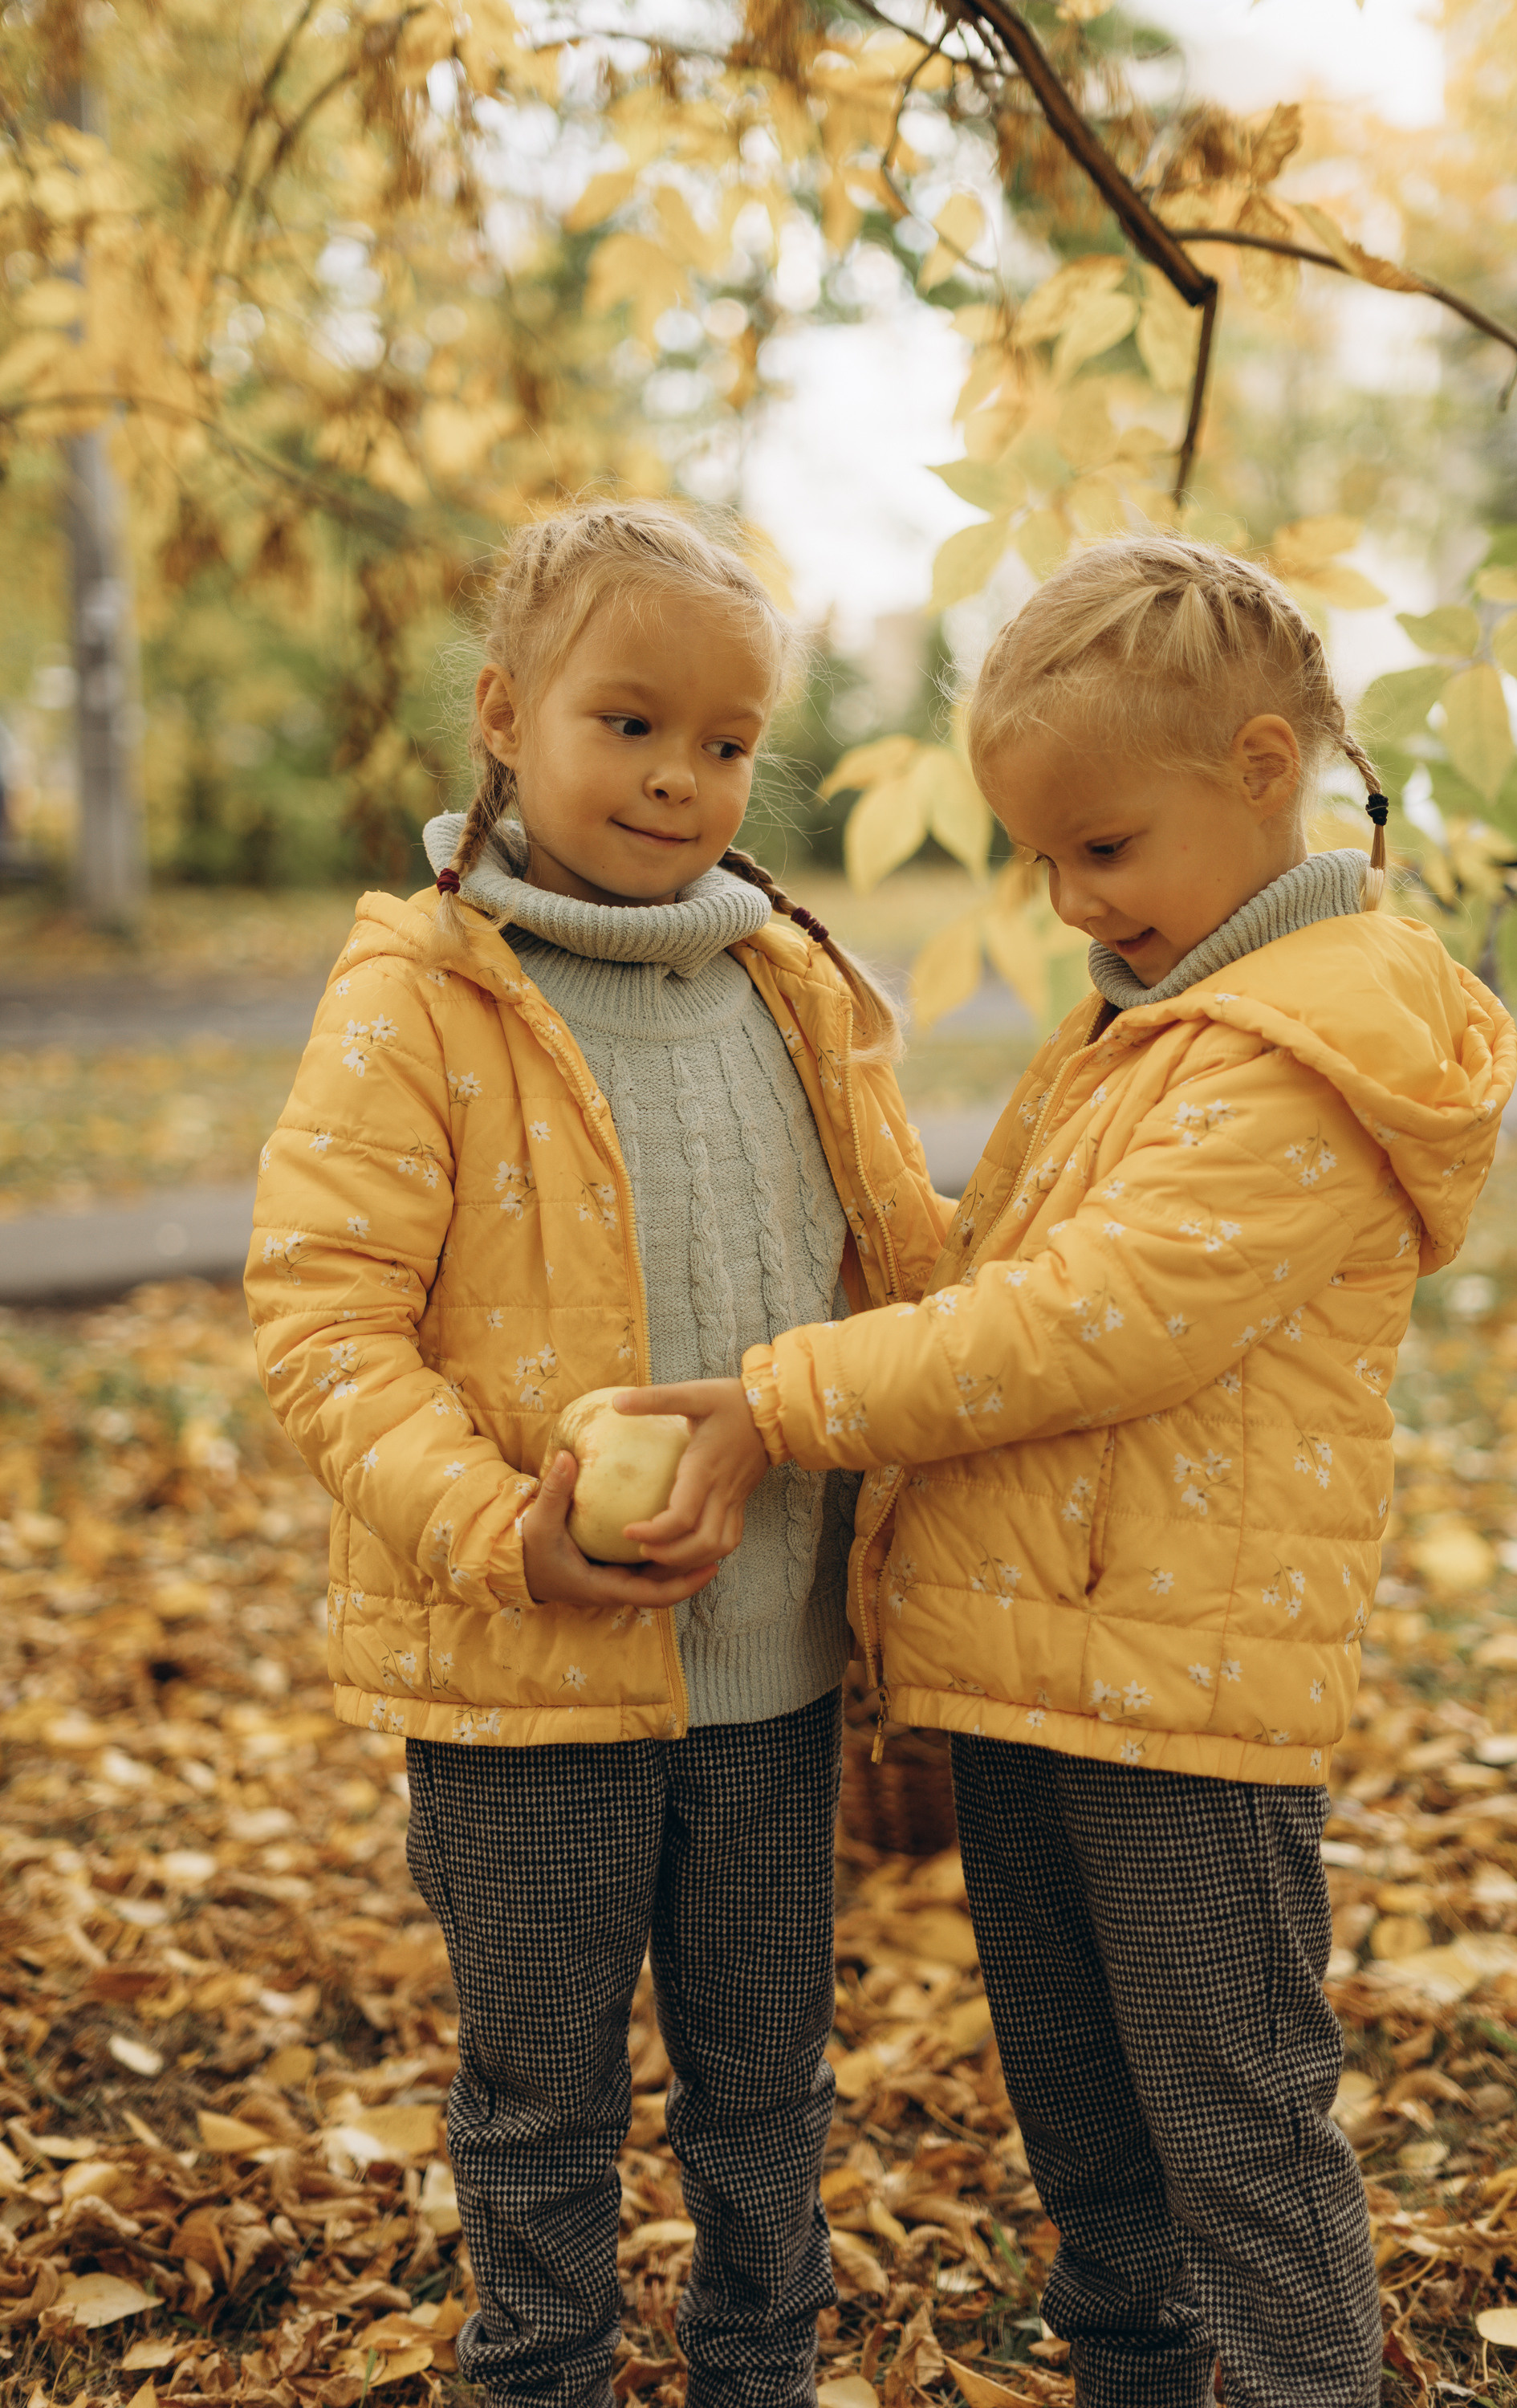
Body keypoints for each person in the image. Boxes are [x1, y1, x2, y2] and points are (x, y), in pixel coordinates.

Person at [615, 534, 1517, 2408]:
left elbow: (1087, 1321)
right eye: (1041, 860)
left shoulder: (1306, 1052)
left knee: (1236, 2127)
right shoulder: (1149, 1027)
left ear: (1262, 770)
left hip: (1186, 1699)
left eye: (1101, 849)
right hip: (1038, 1671)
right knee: (1089, 2130)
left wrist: (782, 1396)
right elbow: (988, 1269)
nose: (1066, 901)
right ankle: (1132, 2375)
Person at [246, 500, 950, 2408]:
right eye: (627, 723)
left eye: (726, 743)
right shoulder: (422, 993)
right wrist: (500, 1533)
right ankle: (539, 2366)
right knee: (541, 2082)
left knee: (763, 2076)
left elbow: (900, 1273)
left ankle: (760, 2369)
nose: (678, 776)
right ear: (505, 713)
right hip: (522, 1679)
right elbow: (323, 1323)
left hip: (769, 1667)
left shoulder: (792, 986)